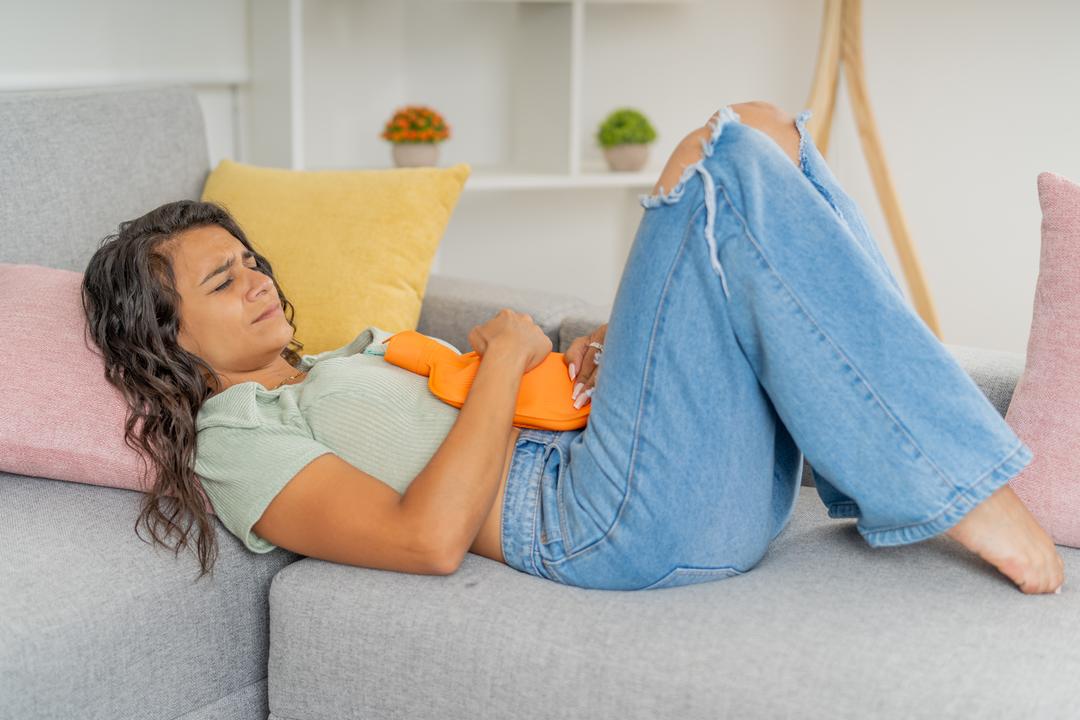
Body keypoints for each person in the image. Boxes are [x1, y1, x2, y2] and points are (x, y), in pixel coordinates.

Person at [81, 101, 1065, 595]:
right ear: (166, 337)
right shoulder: (238, 431)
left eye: (249, 259)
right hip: (600, 519)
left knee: (758, 126)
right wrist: (504, 364)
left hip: (623, 458)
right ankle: (953, 482)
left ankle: (894, 468)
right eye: (223, 281)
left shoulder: (352, 353)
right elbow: (424, 543)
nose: (257, 278)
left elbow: (512, 396)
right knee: (720, 162)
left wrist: (594, 359)